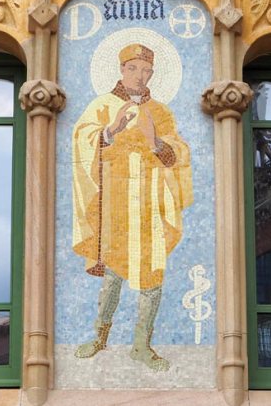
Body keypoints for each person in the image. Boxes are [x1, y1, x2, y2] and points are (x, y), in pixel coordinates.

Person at [71, 43, 193, 371]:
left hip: (152, 201)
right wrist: (111, 131)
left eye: (147, 70)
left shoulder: (162, 112)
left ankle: (141, 344)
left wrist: (155, 141)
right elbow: (83, 141)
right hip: (115, 200)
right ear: (122, 70)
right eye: (134, 69)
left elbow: (179, 152)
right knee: (113, 271)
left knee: (152, 274)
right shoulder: (102, 105)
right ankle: (99, 337)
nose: (141, 76)